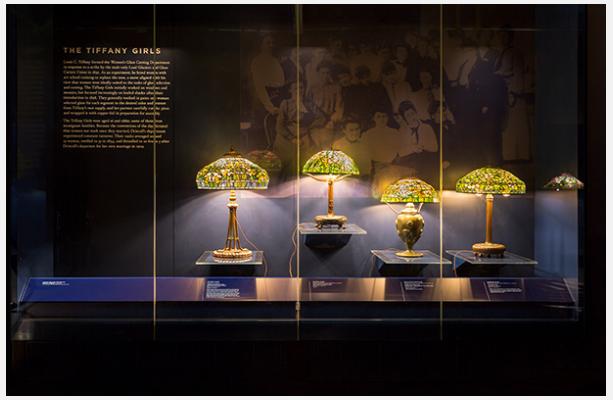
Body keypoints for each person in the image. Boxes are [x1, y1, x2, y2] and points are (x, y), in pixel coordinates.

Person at [274, 81, 326, 177]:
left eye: (301, 88)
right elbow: (279, 126)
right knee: (288, 159)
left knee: (309, 156)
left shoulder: (309, 104)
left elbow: (321, 118)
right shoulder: (286, 104)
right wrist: (292, 138)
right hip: (287, 135)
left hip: (304, 134)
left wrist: (310, 127)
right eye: (296, 88)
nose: (299, 90)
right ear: (290, 90)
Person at [250, 33, 285, 116]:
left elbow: (281, 81)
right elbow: (259, 86)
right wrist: (270, 107)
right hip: (264, 103)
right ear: (261, 45)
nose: (271, 45)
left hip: (278, 100)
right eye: (268, 43)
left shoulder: (275, 61)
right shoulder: (257, 61)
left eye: (273, 43)